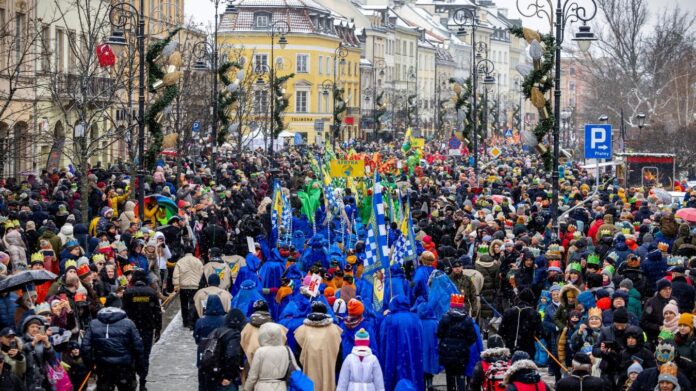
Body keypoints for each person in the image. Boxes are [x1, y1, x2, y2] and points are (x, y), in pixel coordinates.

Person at [81, 307, 145, 391]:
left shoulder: (93, 324)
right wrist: (139, 365)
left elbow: (85, 347)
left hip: (103, 366)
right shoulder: (128, 323)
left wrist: (91, 365)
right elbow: (138, 346)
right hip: (124, 366)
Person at [122, 269, 162, 391]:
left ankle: (133, 378)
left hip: (131, 329)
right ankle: (143, 382)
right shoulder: (151, 292)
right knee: (145, 355)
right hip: (147, 329)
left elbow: (124, 312)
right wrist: (158, 329)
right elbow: (157, 312)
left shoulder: (128, 292)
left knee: (132, 354)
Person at [294, 301, 343, 391]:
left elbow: (297, 357)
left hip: (309, 374)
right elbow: (339, 357)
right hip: (328, 373)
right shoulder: (334, 330)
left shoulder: (302, 330)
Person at [379, 295, 424, 391]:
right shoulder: (416, 319)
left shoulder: (388, 320)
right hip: (413, 360)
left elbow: (382, 344)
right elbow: (420, 342)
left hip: (393, 360)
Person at [437, 294, 477, 391]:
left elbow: (439, 334)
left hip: (447, 352)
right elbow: (472, 338)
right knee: (460, 376)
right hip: (462, 353)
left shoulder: (445, 318)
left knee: (449, 376)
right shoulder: (467, 320)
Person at [244, 322, 299, 391]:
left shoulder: (260, 351)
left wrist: (246, 388)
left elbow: (253, 375)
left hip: (263, 387)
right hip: (281, 387)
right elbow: (296, 369)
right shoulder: (286, 349)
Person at [499, 288, 541, 358]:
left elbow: (501, 331)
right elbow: (539, 333)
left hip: (511, 346)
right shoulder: (534, 314)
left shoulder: (508, 312)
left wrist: (508, 338)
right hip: (528, 348)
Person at [173, 244, 204, 329]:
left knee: (184, 305)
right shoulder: (198, 261)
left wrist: (176, 285)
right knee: (193, 304)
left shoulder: (180, 261)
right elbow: (202, 273)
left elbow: (176, 274)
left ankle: (185, 321)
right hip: (195, 286)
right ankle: (192, 321)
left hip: (184, 287)